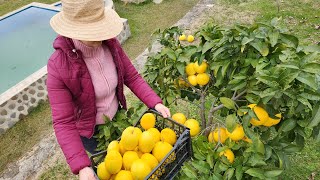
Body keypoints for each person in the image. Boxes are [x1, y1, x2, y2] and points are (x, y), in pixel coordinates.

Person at [46, 0, 171, 179]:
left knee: (129, 166)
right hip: (92, 132)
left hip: (117, 119)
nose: (99, 35)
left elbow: (132, 77)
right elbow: (63, 122)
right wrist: (82, 166)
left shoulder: (110, 45)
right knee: (110, 171)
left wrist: (155, 102)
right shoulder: (59, 66)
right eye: (93, 31)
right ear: (74, 30)